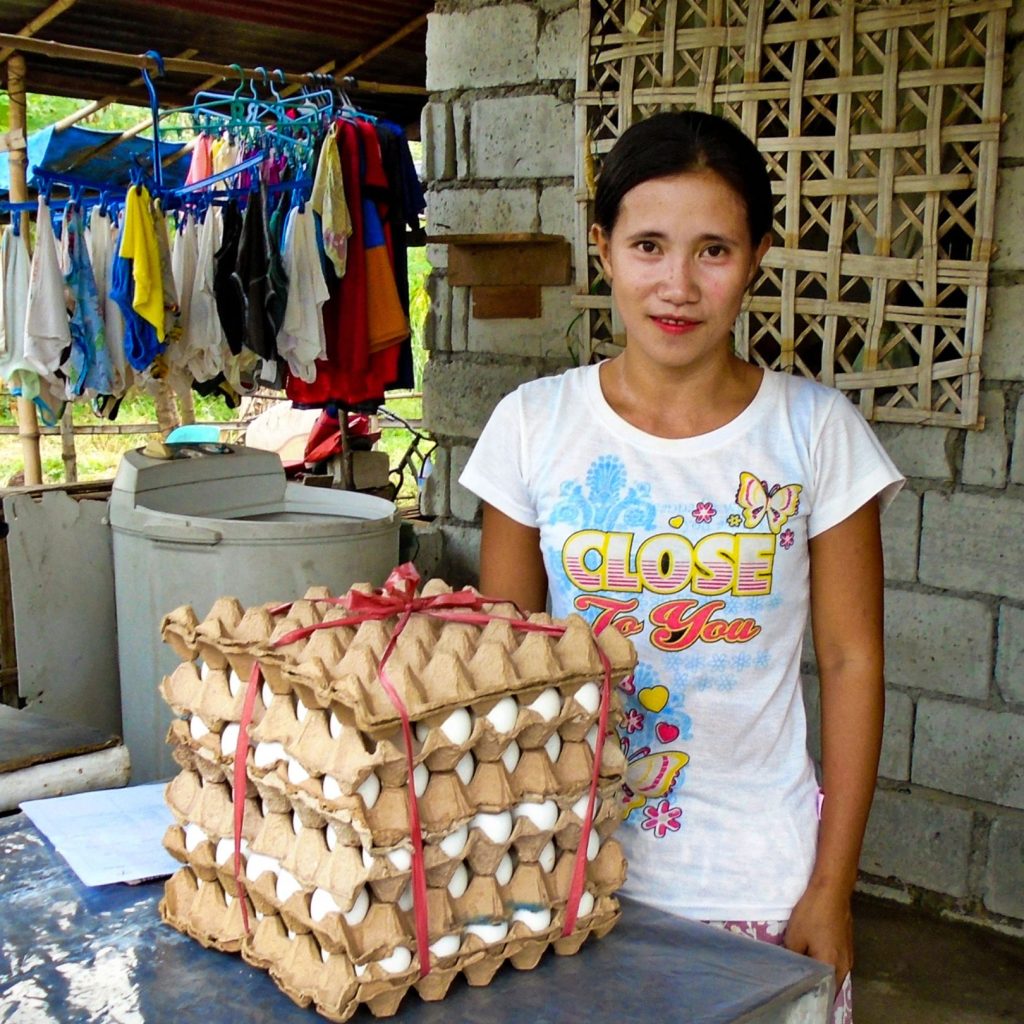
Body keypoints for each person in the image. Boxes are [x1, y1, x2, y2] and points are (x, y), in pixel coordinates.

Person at [459, 110, 904, 1023]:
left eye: (714, 251)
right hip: (562, 873)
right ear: (604, 249)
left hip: (762, 884)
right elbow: (496, 665)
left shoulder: (816, 433)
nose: (677, 285)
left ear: (757, 258)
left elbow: (854, 663)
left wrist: (833, 885)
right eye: (649, 245)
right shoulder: (534, 426)